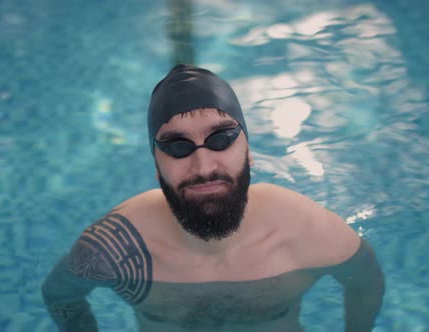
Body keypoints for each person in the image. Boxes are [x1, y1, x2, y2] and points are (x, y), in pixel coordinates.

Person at [41, 64, 385, 332]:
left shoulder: (310, 232)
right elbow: (61, 295)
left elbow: (367, 282)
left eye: (221, 138)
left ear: (248, 150)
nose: (203, 166)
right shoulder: (117, 247)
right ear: (156, 163)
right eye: (177, 146)